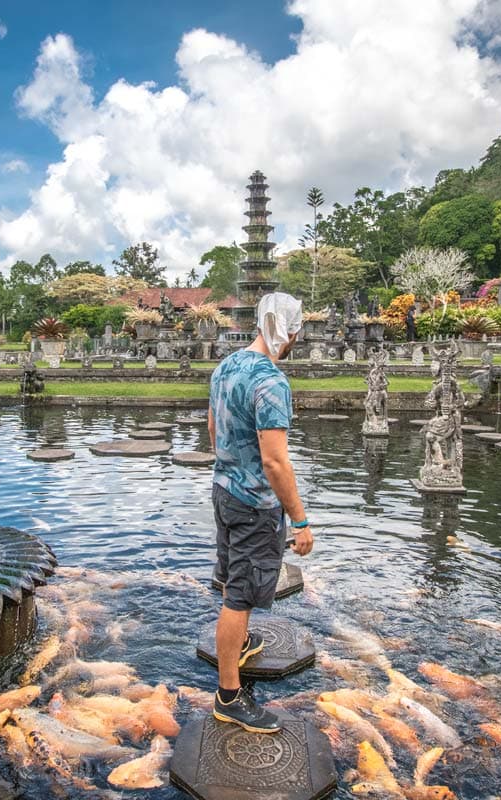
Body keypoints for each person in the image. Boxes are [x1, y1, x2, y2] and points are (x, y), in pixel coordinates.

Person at [206, 292, 313, 733]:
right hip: (254, 505)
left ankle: (243, 641)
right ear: (290, 331)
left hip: (224, 490)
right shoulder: (271, 382)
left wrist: (230, 467)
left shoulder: (226, 366)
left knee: (233, 576)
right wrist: (301, 521)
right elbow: (275, 461)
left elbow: (212, 426)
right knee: (241, 596)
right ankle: (229, 696)